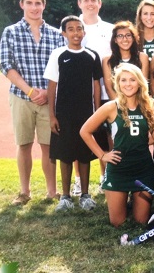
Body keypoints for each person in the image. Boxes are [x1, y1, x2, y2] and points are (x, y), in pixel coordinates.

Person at [0, 0, 64, 205]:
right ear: (21, 4)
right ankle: (24, 192)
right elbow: (6, 65)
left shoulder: (56, 35)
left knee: (48, 146)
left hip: (49, 98)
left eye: (38, 3)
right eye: (30, 3)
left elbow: (62, 68)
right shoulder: (11, 32)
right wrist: (30, 90)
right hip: (21, 97)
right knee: (24, 144)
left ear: (44, 5)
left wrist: (47, 92)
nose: (34, 7)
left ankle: (51, 191)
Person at [80, 63, 154, 227]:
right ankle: (124, 201)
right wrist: (102, 155)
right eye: (123, 80)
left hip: (143, 167)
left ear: (139, 83)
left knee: (141, 222)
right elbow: (85, 131)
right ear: (118, 83)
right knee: (117, 223)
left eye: (132, 80)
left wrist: (140, 142)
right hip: (119, 167)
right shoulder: (111, 107)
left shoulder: (149, 105)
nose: (128, 84)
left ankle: (132, 202)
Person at [44, 15, 102, 211]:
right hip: (64, 115)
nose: (76, 32)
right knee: (65, 155)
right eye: (71, 29)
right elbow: (52, 87)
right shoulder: (58, 54)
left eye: (79, 29)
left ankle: (85, 195)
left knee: (85, 155)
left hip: (86, 114)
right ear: (64, 33)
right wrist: (52, 115)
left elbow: (96, 85)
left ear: (84, 32)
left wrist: (96, 114)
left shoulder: (92, 56)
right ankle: (66, 197)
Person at [77, 0, 114, 194]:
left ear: (100, 3)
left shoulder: (110, 29)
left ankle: (104, 177)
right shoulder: (72, 27)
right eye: (86, 0)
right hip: (81, 94)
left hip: (106, 92)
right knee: (80, 135)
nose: (90, 3)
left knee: (106, 137)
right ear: (79, 3)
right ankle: (77, 180)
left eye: (94, 0)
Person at [103, 21, 149, 99]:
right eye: (120, 36)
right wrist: (120, 106)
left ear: (133, 38)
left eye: (128, 35)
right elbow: (109, 88)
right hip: (117, 104)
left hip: (138, 103)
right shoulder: (107, 60)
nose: (125, 39)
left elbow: (143, 86)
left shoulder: (142, 57)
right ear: (115, 40)